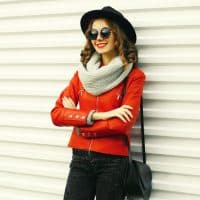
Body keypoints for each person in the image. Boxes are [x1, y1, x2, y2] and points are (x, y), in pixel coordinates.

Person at [51, 6, 146, 200]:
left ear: (118, 35)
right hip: (80, 158)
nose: (98, 38)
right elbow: (56, 114)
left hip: (113, 161)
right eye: (93, 33)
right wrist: (97, 116)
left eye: (105, 32)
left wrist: (80, 125)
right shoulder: (82, 74)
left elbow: (123, 124)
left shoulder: (134, 76)